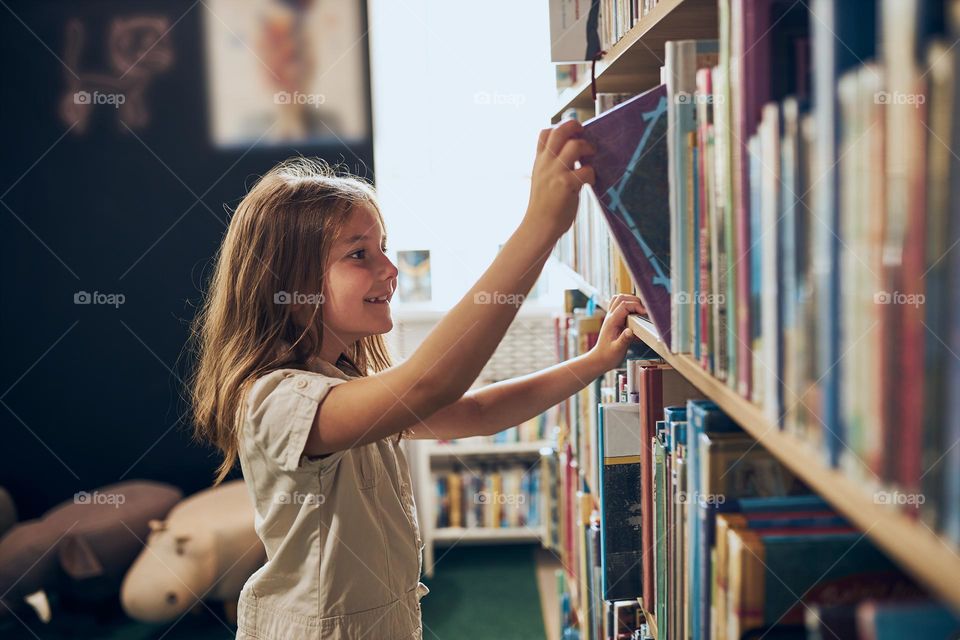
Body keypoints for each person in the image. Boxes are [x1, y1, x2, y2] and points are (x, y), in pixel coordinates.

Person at [189, 119, 645, 639]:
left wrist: (593, 362)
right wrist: (539, 225)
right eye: (359, 254)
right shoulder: (276, 400)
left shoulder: (343, 382)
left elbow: (477, 413)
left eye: (382, 247)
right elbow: (430, 384)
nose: (389, 268)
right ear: (289, 285)